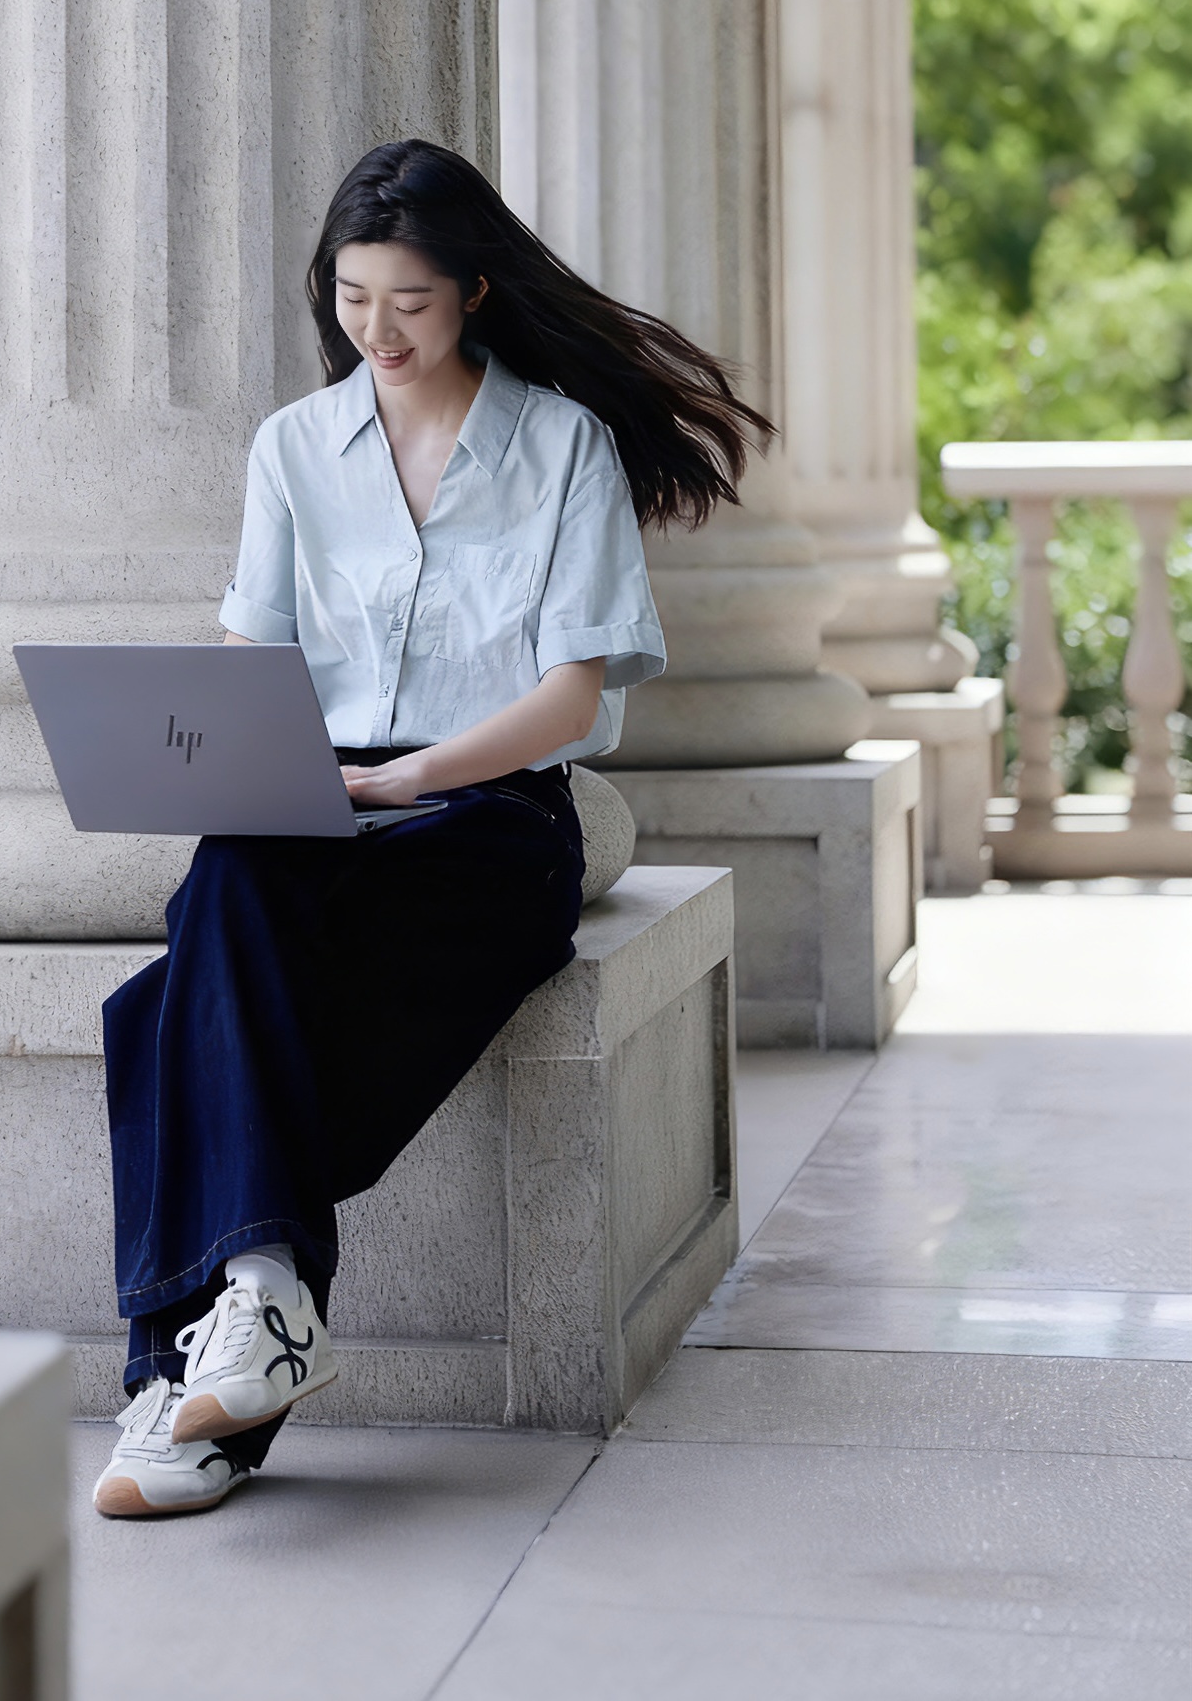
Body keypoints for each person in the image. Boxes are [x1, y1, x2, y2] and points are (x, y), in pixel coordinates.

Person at [92, 139, 771, 1517]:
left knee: (165, 1010)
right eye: (351, 297)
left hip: (493, 813)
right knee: (232, 862)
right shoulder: (293, 448)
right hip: (323, 790)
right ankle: (266, 1299)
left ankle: (184, 1388)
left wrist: (409, 783)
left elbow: (571, 698)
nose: (377, 330)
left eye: (406, 299)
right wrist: (226, 748)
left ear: (469, 289)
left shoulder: (562, 445)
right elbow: (251, 654)